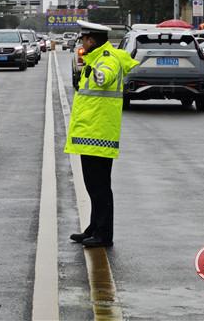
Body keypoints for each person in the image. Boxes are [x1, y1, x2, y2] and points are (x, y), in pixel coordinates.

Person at [65, 20, 137, 248]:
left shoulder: (107, 60)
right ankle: (93, 228)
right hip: (92, 134)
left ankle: (103, 234)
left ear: (91, 40)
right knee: (94, 187)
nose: (82, 44)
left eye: (84, 40)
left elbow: (105, 77)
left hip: (99, 135)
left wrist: (98, 73)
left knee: (99, 188)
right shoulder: (97, 58)